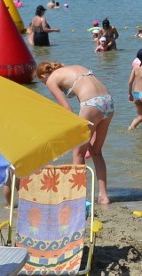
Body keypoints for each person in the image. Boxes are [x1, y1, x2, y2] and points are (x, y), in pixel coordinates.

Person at [36, 61, 114, 204]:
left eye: (42, 82)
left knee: (78, 153)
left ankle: (77, 198)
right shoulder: (76, 67)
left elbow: (67, 109)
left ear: (43, 75)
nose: (46, 85)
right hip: (108, 101)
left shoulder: (51, 79)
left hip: (91, 104)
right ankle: (104, 196)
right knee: (96, 152)